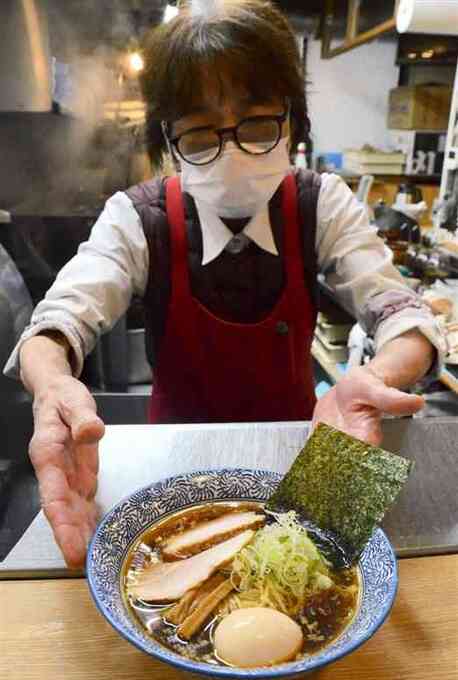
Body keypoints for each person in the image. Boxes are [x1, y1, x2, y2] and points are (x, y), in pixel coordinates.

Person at [4, 0, 445, 568]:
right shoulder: (139, 217)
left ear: (293, 122)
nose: (232, 152)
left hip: (299, 458)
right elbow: (59, 322)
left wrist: (379, 375)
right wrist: (51, 386)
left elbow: (403, 314)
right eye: (199, 134)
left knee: (314, 587)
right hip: (172, 474)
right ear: (169, 140)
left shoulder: (322, 204)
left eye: (258, 123)